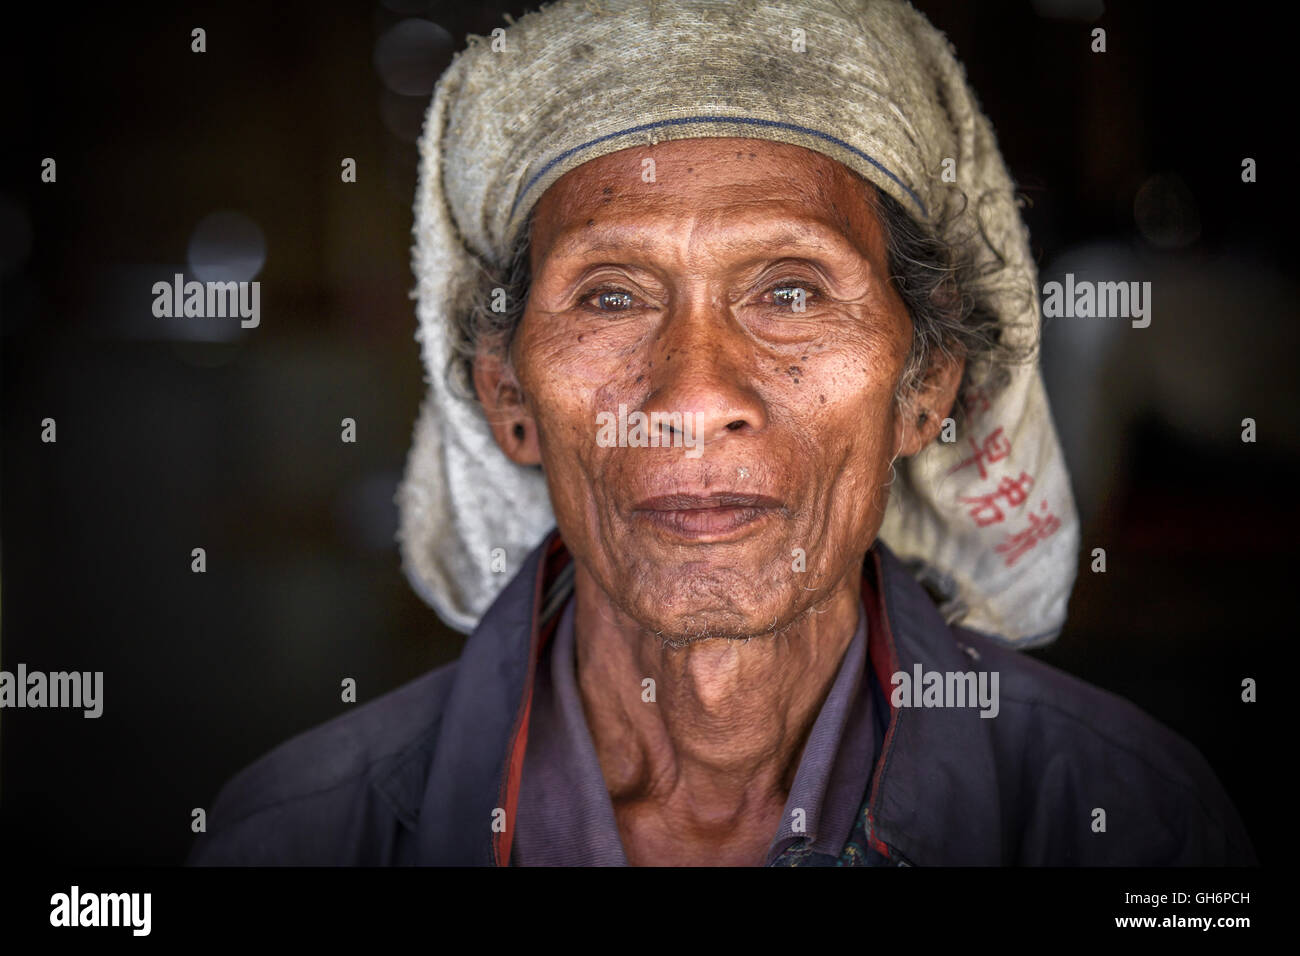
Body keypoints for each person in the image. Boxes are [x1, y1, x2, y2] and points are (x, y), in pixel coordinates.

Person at [188, 0, 1255, 866]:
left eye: (791, 291)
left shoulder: (1125, 817)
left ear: (925, 386)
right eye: (608, 297)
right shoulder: (301, 835)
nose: (694, 395)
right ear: (508, 395)